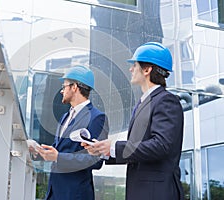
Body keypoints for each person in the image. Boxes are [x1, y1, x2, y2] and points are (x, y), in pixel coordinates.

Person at [83, 42, 184, 200]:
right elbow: (138, 151)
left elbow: (161, 146)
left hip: (156, 192)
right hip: (142, 190)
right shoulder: (143, 103)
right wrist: (104, 150)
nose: (131, 69)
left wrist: (115, 146)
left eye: (134, 65)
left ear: (146, 69)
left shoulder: (166, 101)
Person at [34, 65, 109, 200]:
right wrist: (39, 151)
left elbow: (95, 160)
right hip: (54, 192)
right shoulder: (65, 117)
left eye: (64, 86)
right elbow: (59, 150)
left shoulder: (96, 118)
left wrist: (58, 157)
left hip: (75, 194)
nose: (62, 91)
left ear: (74, 87)